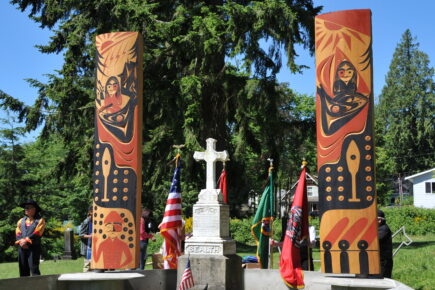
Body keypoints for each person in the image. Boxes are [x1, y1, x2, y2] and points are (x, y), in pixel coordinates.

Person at [15, 199, 46, 277]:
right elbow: (18, 232)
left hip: (33, 248)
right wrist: (21, 241)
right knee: (23, 269)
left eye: (28, 207)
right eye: (25, 208)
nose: (26, 209)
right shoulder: (21, 221)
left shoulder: (40, 220)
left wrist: (26, 241)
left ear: (34, 209)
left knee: (34, 269)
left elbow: (37, 233)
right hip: (22, 247)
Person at [378, 209, 393, 278]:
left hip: (384, 261)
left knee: (383, 280)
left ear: (379, 220)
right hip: (380, 260)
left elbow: (375, 240)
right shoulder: (379, 228)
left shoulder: (384, 229)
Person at [79, 206, 93, 272]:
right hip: (88, 247)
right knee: (87, 266)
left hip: (96, 247)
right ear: (90, 212)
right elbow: (81, 234)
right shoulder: (86, 222)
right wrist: (90, 236)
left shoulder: (97, 221)